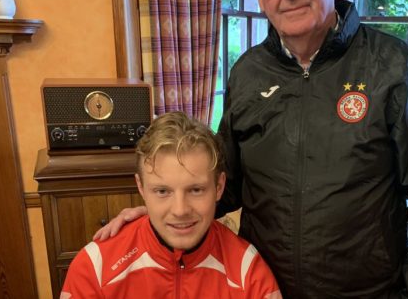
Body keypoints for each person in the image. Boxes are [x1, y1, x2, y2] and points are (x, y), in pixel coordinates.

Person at [95, 0, 408, 297]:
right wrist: (165, 212)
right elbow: (224, 183)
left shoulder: (395, 68)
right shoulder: (246, 74)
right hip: (260, 288)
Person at [63, 112, 281, 298]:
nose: (180, 210)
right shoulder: (95, 267)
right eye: (162, 191)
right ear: (141, 187)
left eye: (196, 190)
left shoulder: (247, 269)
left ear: (219, 187)